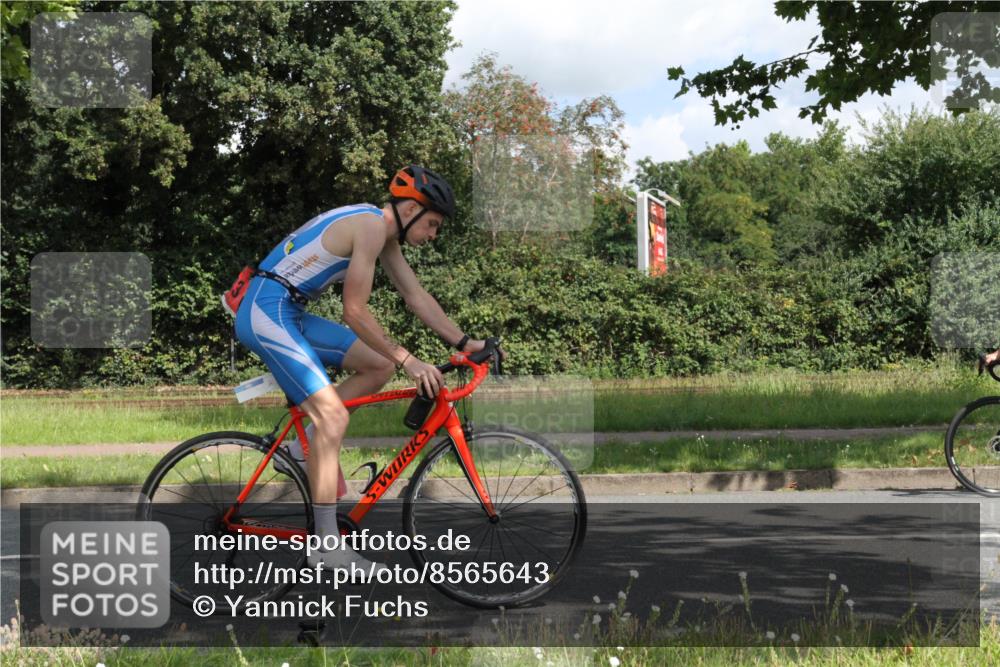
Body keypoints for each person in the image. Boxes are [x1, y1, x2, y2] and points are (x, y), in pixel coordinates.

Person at [225, 166, 491, 573]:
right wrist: (410, 360)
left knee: (377, 364)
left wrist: (464, 343)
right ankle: (326, 546)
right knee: (334, 413)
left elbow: (415, 295)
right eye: (433, 223)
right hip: (266, 311)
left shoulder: (381, 232)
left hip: (286, 310)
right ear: (408, 209)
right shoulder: (369, 226)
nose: (434, 234)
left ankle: (301, 448)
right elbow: (354, 311)